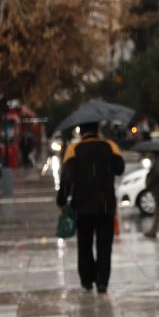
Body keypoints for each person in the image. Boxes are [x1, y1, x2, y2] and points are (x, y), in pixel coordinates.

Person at [56, 121, 124, 293]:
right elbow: (120, 169)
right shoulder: (110, 146)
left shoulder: (73, 149)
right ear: (97, 130)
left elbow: (66, 178)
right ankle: (102, 282)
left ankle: (87, 279)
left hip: (82, 204)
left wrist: (62, 200)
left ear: (81, 132)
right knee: (104, 244)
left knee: (84, 245)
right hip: (106, 204)